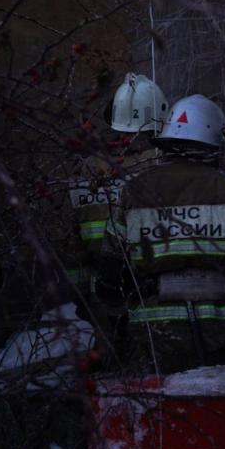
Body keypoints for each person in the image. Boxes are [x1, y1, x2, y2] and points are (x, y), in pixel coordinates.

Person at [108, 94, 225, 374]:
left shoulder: (135, 189)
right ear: (214, 143)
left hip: (152, 338)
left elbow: (111, 265)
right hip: (223, 336)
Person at [63, 73, 168, 364]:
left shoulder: (85, 170)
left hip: (103, 304)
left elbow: (71, 249)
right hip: (160, 302)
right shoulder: (162, 167)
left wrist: (88, 303)